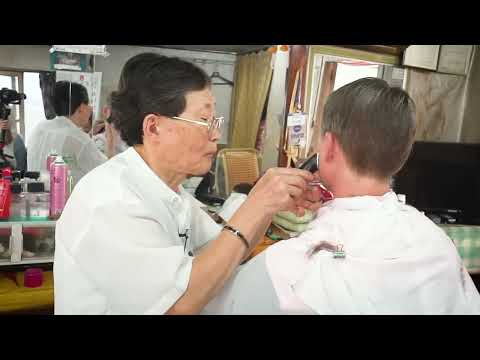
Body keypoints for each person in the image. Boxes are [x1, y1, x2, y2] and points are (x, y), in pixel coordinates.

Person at [53, 53, 323, 315]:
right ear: (154, 127)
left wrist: (267, 206)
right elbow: (178, 303)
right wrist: (258, 204)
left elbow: (226, 254)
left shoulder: (171, 192)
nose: (216, 134)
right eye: (204, 121)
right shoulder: (112, 201)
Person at [202, 78, 480, 315]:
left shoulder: (294, 265)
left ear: (330, 146)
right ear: (402, 155)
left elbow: (207, 300)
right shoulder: (438, 243)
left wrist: (252, 206)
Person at [27, 81, 107, 185]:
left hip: (34, 196)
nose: (90, 108)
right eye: (88, 104)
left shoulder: (39, 128)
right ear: (81, 108)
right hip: (65, 199)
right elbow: (105, 170)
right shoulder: (79, 138)